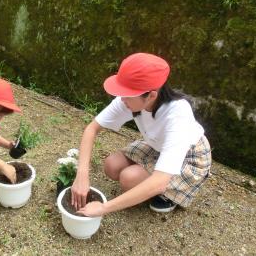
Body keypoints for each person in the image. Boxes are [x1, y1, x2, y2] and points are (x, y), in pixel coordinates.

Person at [72, 53, 212, 216]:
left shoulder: (177, 113)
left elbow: (159, 181)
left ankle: (169, 197)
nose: (122, 99)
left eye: (127, 95)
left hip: (190, 157)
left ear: (151, 95)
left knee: (128, 179)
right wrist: (81, 175)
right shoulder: (130, 99)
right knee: (111, 166)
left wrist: (104, 208)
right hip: (157, 144)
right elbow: (92, 129)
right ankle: (145, 180)